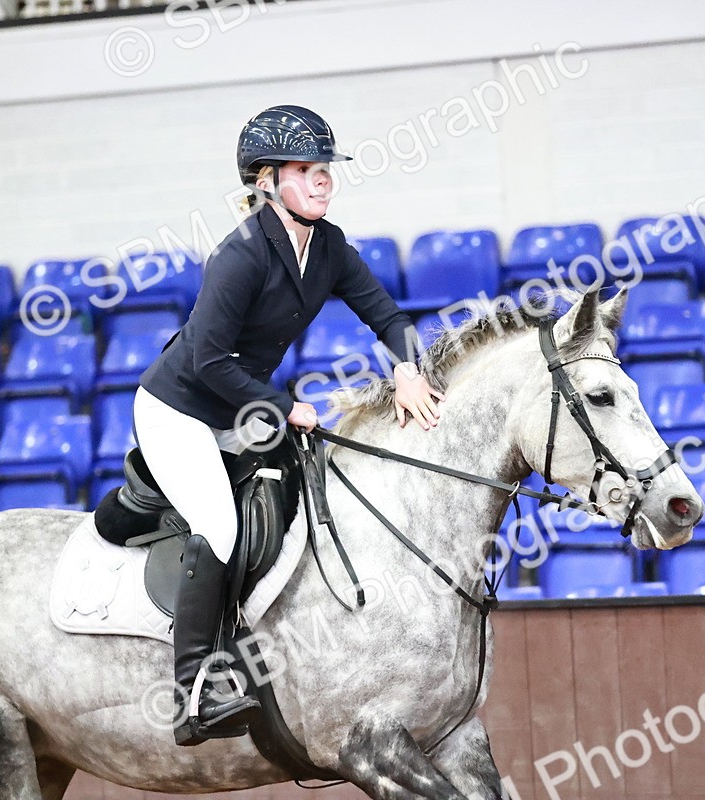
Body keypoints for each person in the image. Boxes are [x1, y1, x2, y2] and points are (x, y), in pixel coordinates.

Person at [134, 105, 446, 746]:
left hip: (239, 409)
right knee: (219, 525)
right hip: (180, 410)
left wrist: (411, 369)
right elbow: (206, 360)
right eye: (307, 169)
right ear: (266, 181)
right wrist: (282, 407)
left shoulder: (326, 246)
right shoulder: (240, 256)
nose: (323, 180)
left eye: (325, 168)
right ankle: (192, 692)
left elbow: (386, 314)